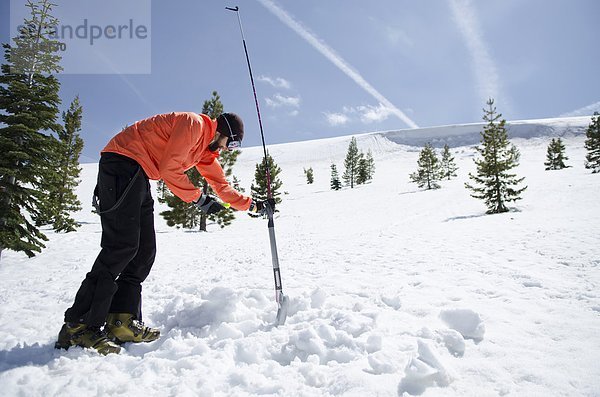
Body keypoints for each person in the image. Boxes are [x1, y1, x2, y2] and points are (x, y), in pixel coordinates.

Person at [55, 112, 271, 355]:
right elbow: (170, 169)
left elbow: (222, 186)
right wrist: (199, 199)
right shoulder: (194, 125)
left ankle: (121, 320)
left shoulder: (205, 152)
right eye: (231, 143)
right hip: (121, 163)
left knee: (144, 251)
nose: (229, 149)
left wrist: (254, 205)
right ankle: (79, 325)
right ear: (222, 131)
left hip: (138, 173)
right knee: (121, 246)